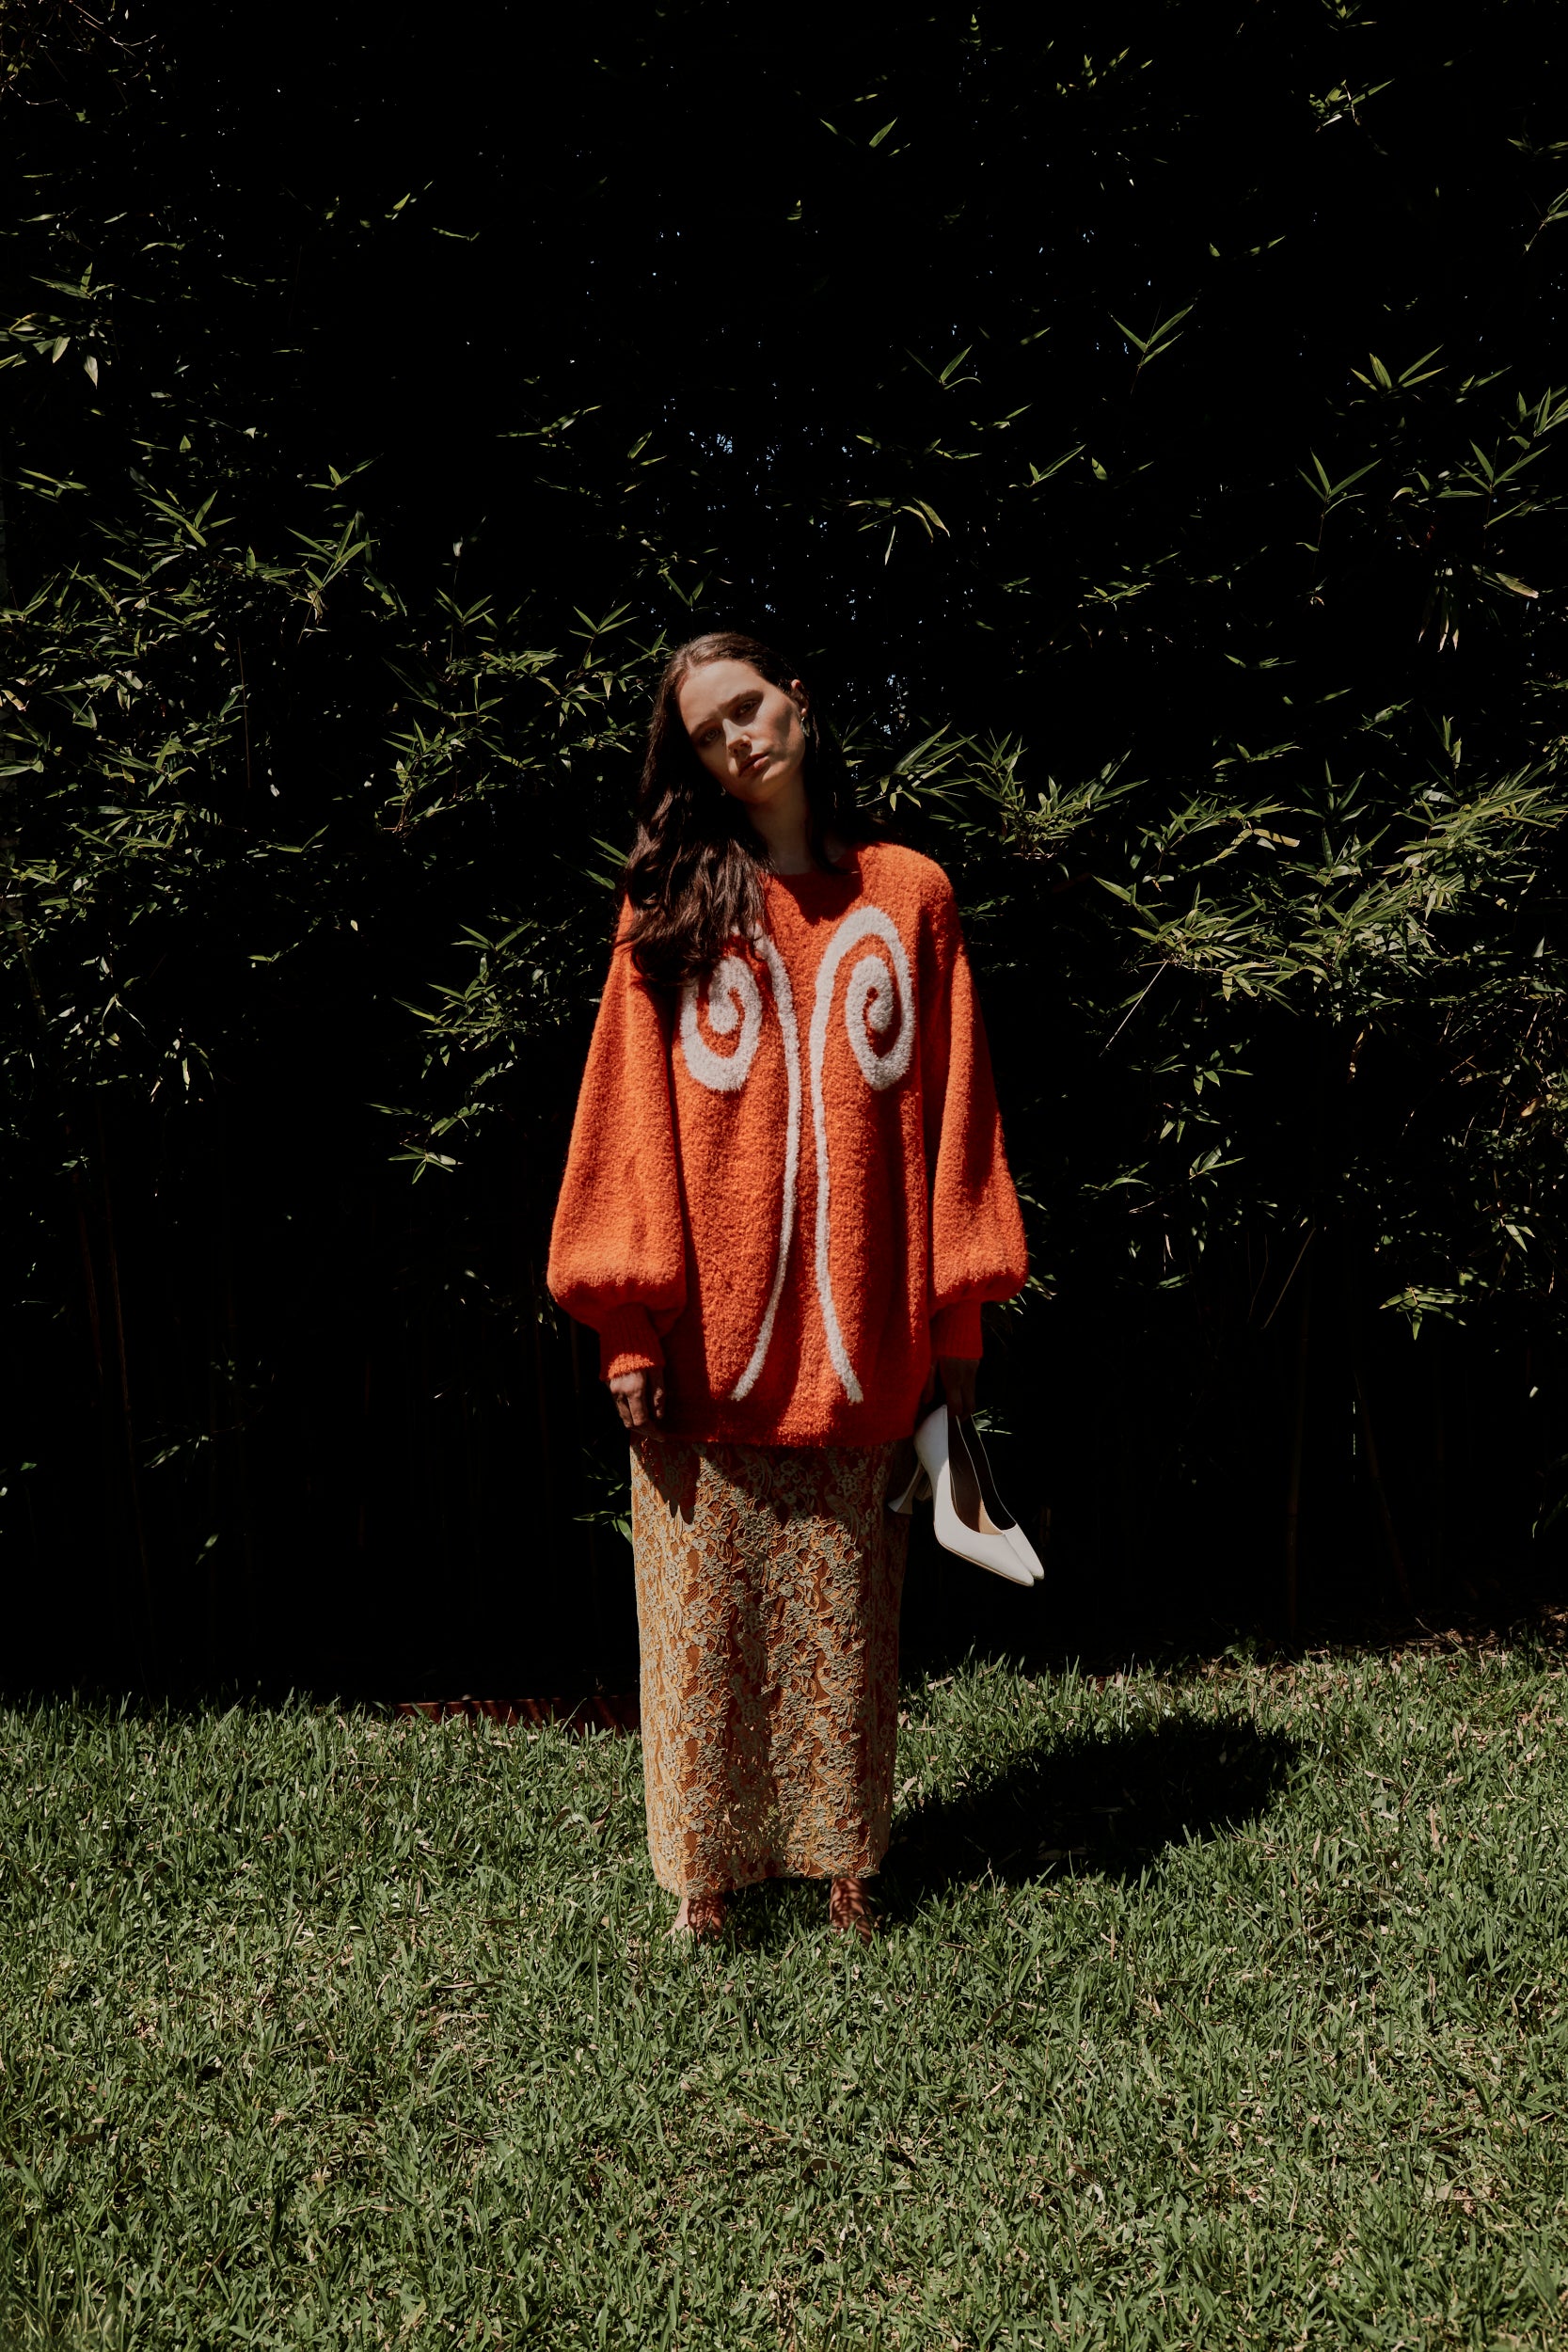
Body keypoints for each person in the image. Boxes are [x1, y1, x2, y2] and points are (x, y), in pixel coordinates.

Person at [547, 630, 1027, 1941]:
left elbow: (955, 1119)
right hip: (701, 1355)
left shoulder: (910, 897)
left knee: (847, 1632)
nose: (737, 740)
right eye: (708, 733)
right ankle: (707, 1886)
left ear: (800, 701)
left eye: (748, 709)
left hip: (866, 1347)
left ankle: (845, 1871)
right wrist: (627, 1332)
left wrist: (958, 1325)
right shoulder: (673, 907)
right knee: (702, 1632)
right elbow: (626, 1120)